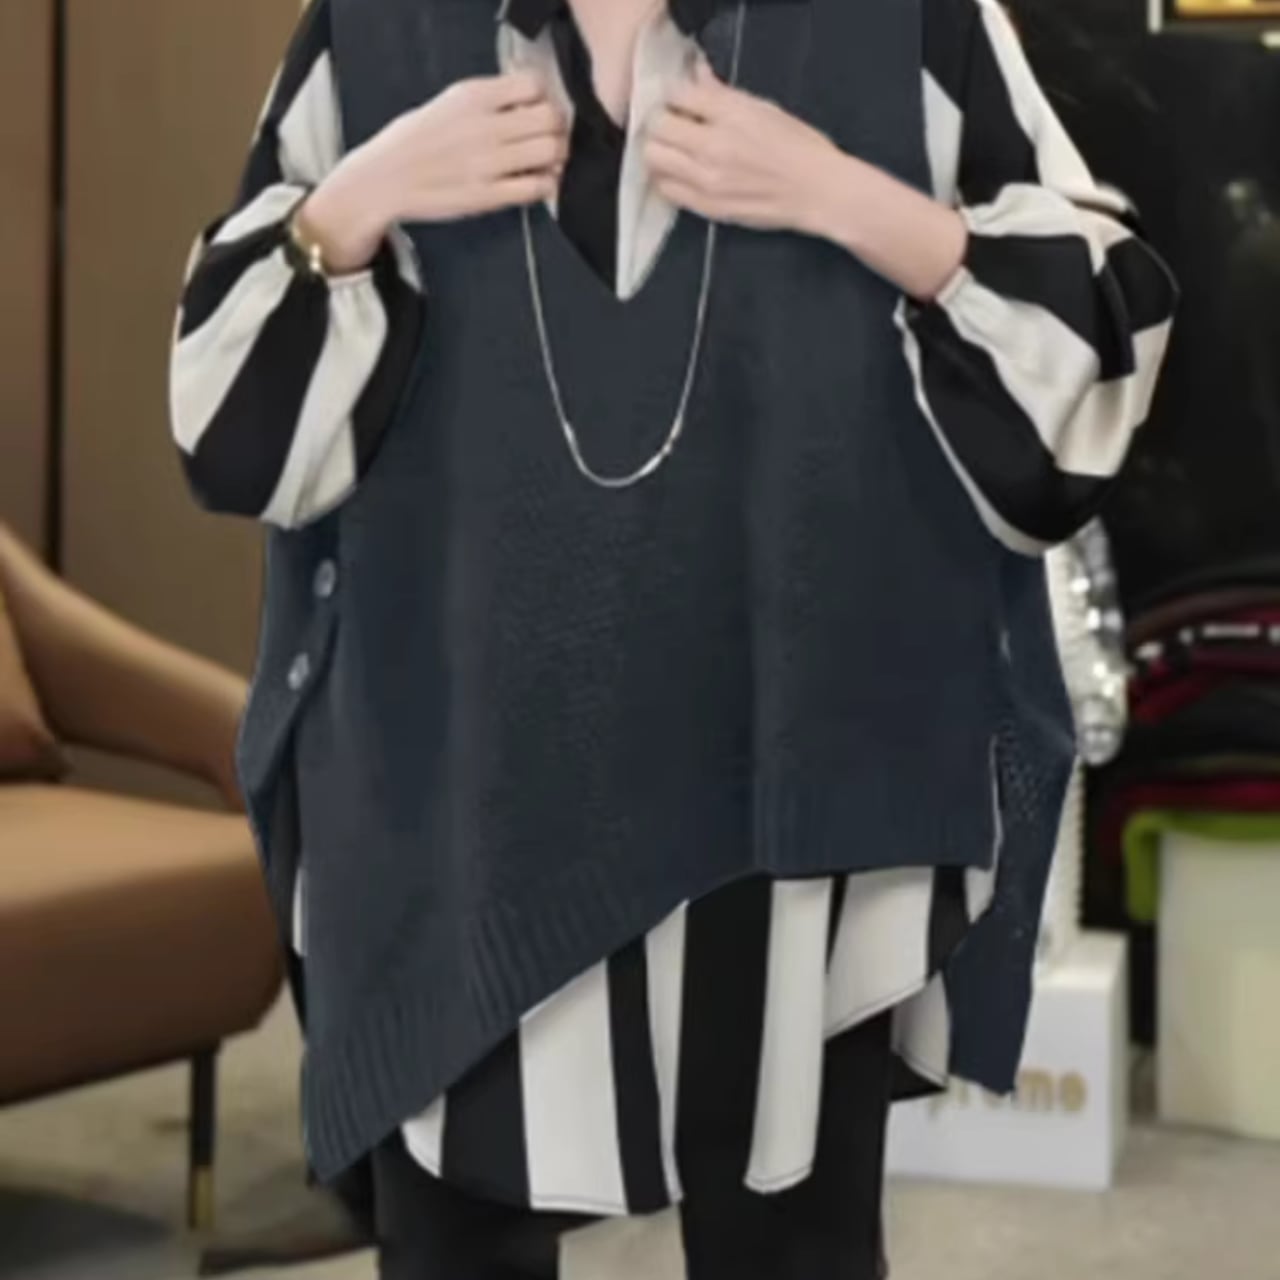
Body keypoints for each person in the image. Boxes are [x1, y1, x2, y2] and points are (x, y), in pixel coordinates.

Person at [169, 0, 1176, 1275]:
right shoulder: (377, 30)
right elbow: (226, 429)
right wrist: (361, 198)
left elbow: (1099, 344)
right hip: (459, 790)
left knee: (787, 1239)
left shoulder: (906, 22)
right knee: (455, 1237)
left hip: (791, 784)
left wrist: (839, 194)